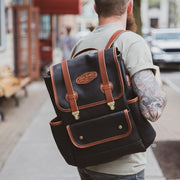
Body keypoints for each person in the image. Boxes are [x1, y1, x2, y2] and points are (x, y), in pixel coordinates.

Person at [71, 0, 167, 179]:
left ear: (95, 8)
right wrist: (157, 79)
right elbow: (153, 111)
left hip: (87, 157)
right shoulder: (130, 42)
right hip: (122, 166)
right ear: (130, 6)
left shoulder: (80, 46)